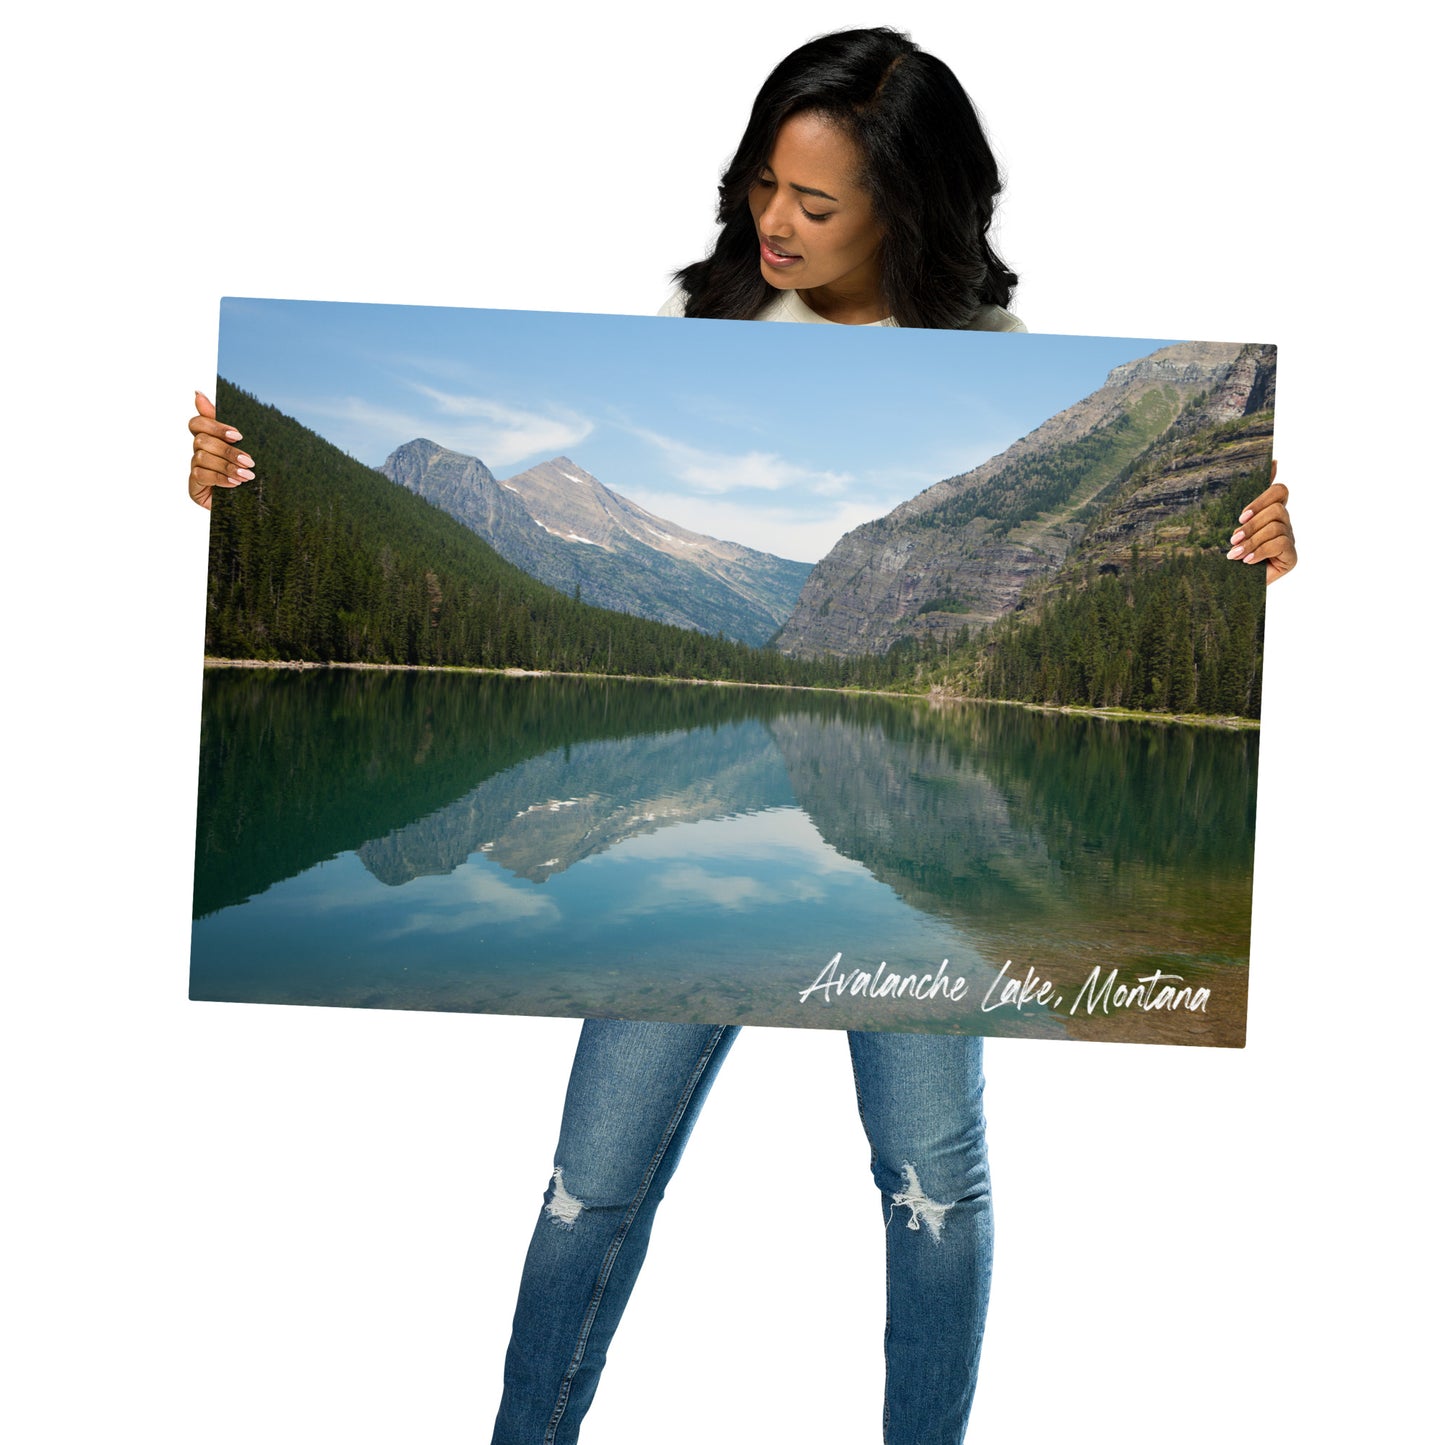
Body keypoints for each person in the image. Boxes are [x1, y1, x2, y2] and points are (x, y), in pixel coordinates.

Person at [185, 27, 1297, 1443]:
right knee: (589, 1180)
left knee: (929, 1183)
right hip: (684, 937)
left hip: (894, 944)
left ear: (911, 204)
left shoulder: (1000, 361)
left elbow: (1216, 564)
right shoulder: (699, 320)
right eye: (764, 183)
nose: (774, 222)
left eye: (816, 203)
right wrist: (239, 491)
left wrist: (1255, 548)